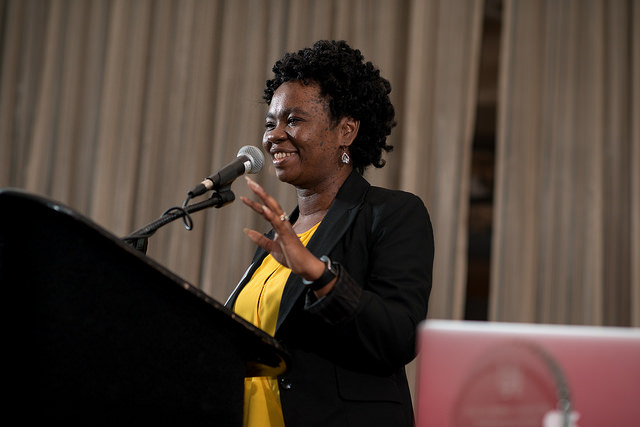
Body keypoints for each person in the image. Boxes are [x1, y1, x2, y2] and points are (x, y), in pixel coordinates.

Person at [225, 40, 434, 427]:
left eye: (293, 120)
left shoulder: (390, 214)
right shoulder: (279, 237)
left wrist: (320, 276)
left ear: (346, 131)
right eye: (270, 123)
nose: (274, 136)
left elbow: (399, 336)